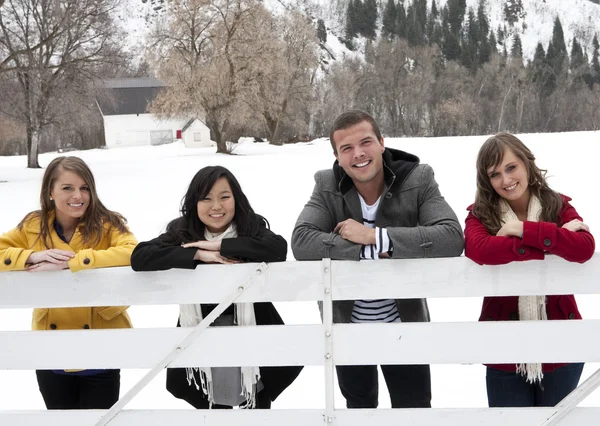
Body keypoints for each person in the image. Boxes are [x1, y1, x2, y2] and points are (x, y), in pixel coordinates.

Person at [291, 110, 464, 409]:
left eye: (365, 142)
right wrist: (359, 249)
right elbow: (302, 241)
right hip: (347, 326)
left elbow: (450, 236)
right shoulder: (326, 184)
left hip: (404, 323)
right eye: (346, 148)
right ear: (337, 156)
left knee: (414, 407)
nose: (358, 154)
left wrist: (375, 237)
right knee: (359, 406)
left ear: (382, 143)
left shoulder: (418, 178)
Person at [130, 165, 302, 409]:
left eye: (224, 197)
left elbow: (277, 248)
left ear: (236, 199)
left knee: (257, 404)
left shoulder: (250, 227)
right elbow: (140, 256)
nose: (216, 206)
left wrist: (220, 247)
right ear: (194, 202)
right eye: (206, 198)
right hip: (200, 334)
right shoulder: (182, 232)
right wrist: (197, 254)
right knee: (209, 406)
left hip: (253, 330)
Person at [464, 132, 595, 407]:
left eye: (511, 167)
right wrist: (551, 240)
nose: (506, 180)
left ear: (526, 163)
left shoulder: (557, 205)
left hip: (562, 345)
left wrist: (519, 229)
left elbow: (584, 247)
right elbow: (479, 250)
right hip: (504, 349)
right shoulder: (481, 214)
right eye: (495, 174)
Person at [0, 156, 138, 410]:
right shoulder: (33, 225)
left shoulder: (107, 222)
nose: (79, 196)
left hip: (102, 348)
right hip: (51, 349)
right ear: (50, 192)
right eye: (68, 188)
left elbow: (133, 252)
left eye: (85, 188)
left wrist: (75, 261)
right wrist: (29, 255)